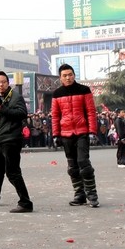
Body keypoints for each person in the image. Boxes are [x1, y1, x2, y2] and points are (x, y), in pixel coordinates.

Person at [0, 71, 33, 213]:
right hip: (2, 138)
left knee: (12, 172)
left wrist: (2, 108)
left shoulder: (16, 97)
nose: (1, 85)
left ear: (8, 83)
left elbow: (22, 114)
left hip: (12, 139)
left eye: (3, 82)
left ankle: (26, 202)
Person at [50, 64, 100, 208]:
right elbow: (55, 116)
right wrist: (55, 134)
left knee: (84, 162)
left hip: (82, 132)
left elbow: (91, 112)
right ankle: (79, 195)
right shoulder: (57, 94)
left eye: (70, 74)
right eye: (65, 75)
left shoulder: (84, 90)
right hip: (66, 134)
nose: (68, 77)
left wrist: (92, 132)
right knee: (72, 166)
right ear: (60, 78)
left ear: (74, 75)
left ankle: (92, 194)